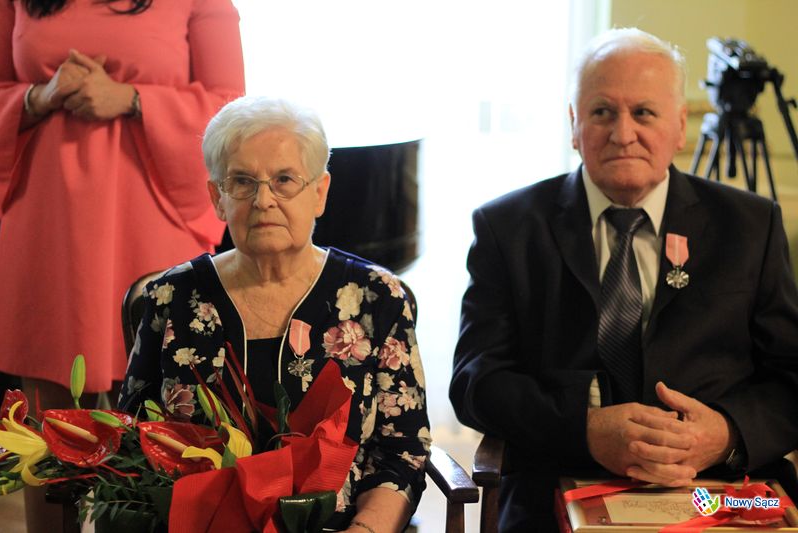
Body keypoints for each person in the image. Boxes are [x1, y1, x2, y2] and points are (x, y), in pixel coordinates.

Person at [450, 27, 798, 532]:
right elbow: (475, 381)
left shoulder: (750, 225)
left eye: (644, 112)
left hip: (722, 492)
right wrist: (584, 429)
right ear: (574, 125)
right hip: (558, 487)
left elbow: (790, 376)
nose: (623, 133)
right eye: (602, 112)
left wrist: (725, 435)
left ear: (679, 127)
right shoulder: (508, 228)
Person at [119, 96, 431, 533]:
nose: (263, 200)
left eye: (284, 180)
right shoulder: (171, 296)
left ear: (319, 192)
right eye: (242, 182)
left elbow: (403, 452)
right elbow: (135, 440)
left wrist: (363, 530)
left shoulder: (377, 298)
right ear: (217, 198)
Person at [0, 2, 243, 530]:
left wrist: (132, 98)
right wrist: (38, 96)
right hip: (47, 234)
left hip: (152, 224)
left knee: (166, 433)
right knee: (48, 446)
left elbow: (232, 110)